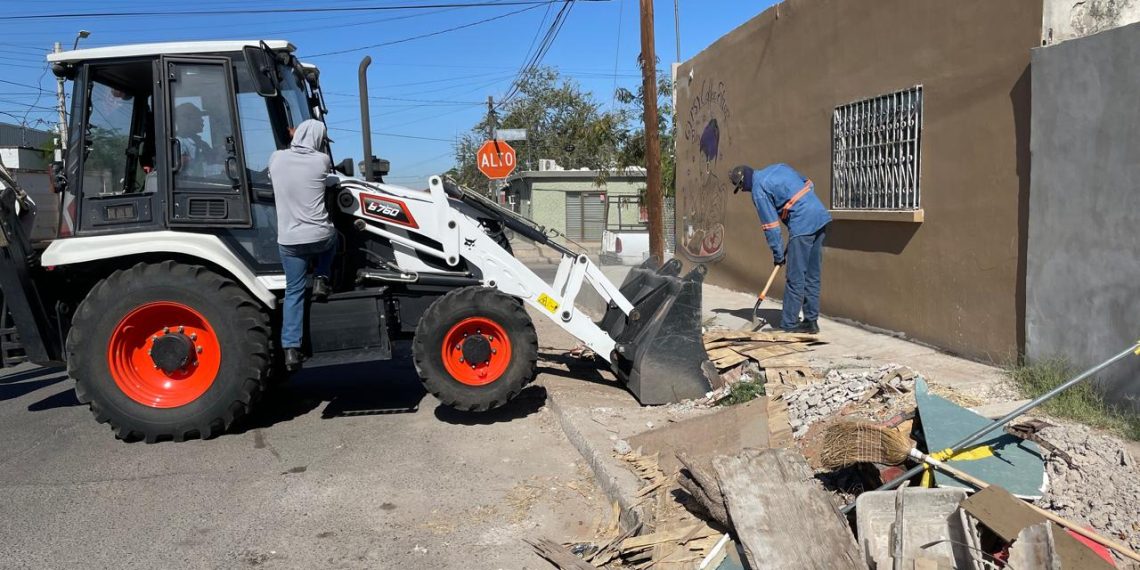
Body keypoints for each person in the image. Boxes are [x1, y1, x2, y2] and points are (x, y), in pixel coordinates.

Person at [729, 163, 831, 334]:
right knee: (813, 275)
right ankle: (811, 322)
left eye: (741, 187)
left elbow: (771, 226)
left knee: (795, 277)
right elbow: (808, 184)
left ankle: (788, 325)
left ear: (743, 182)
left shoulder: (758, 190)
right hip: (819, 215)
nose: (744, 190)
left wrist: (778, 254)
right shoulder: (778, 168)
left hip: (802, 222)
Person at [268, 119, 336, 371]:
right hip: (319, 239)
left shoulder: (276, 158)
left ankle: (291, 350)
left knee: (294, 291)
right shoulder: (321, 162)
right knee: (334, 236)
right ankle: (322, 277)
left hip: (290, 243)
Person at [173, 102, 215, 177]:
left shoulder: (200, 143)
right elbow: (181, 168)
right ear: (186, 120)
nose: (202, 120)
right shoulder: (178, 142)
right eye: (198, 117)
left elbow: (212, 159)